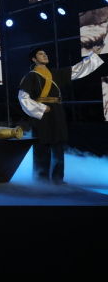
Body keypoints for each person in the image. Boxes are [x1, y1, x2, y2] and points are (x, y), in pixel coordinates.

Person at [18, 45, 104, 184]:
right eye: (41, 54)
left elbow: (76, 70)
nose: (45, 55)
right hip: (41, 113)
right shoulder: (31, 76)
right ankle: (41, 180)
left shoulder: (55, 73)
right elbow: (22, 96)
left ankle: (58, 179)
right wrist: (39, 108)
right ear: (34, 59)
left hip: (57, 112)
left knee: (58, 145)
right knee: (42, 146)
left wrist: (93, 56)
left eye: (45, 53)